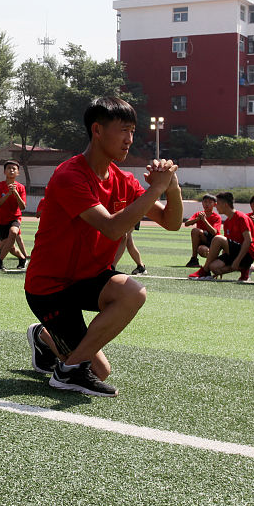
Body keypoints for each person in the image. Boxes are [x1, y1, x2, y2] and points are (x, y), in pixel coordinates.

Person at [24, 97, 182, 398]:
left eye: (133, 131)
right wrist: (155, 189)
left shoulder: (123, 180)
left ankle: (60, 357)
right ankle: (53, 346)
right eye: (124, 130)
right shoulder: (70, 175)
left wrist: (171, 186)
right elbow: (111, 227)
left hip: (89, 278)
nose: (129, 139)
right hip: (50, 288)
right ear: (97, 130)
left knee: (134, 291)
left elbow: (171, 221)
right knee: (101, 370)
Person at [192, 192, 254, 282]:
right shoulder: (227, 222)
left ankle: (205, 270)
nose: (216, 206)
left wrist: (237, 260)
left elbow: (248, 241)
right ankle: (245, 268)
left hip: (248, 253)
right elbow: (228, 244)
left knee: (218, 238)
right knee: (214, 267)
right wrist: (224, 260)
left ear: (225, 204)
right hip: (236, 252)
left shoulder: (241, 217)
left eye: (218, 203)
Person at [0, 161, 28, 271]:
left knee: (13, 232)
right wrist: (8, 194)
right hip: (2, 220)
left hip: (15, 217)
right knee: (11, 248)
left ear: (18, 173)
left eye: (14, 169)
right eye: (9, 168)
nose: (11, 170)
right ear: (4, 172)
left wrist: (16, 193)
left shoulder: (21, 187)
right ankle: (22, 259)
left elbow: (23, 207)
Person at [183, 194, 221, 269]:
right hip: (203, 239)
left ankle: (215, 259)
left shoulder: (216, 217)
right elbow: (186, 224)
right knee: (201, 249)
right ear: (202, 203)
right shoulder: (199, 214)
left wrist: (204, 220)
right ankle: (194, 260)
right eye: (205, 202)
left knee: (196, 231)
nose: (207, 204)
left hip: (213, 241)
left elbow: (214, 232)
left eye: (210, 202)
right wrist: (197, 219)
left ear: (215, 204)